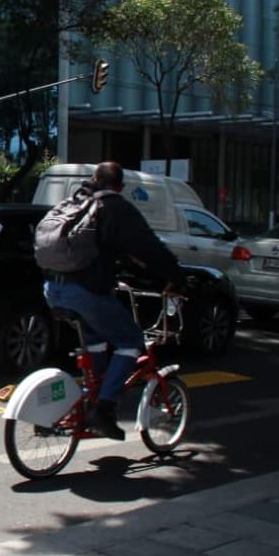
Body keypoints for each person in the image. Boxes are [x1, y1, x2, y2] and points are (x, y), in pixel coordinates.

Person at [43, 161, 185, 441]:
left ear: (93, 179)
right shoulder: (115, 207)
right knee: (130, 341)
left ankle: (93, 394)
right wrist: (176, 277)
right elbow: (148, 247)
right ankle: (104, 410)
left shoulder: (72, 203)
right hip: (85, 292)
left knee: (96, 336)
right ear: (120, 186)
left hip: (52, 288)